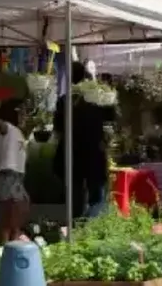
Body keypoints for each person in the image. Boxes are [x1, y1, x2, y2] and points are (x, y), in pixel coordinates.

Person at [53, 61, 116, 219]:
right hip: (94, 152)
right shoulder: (99, 98)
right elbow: (111, 123)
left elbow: (58, 130)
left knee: (74, 194)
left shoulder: (64, 101)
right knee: (97, 195)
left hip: (71, 153)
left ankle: (75, 226)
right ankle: (91, 226)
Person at [0, 98, 30, 243]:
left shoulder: (18, 132)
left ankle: (14, 241)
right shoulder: (7, 129)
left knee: (20, 211)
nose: (24, 116)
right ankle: (6, 246)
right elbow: (0, 124)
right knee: (9, 218)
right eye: (21, 113)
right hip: (9, 175)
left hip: (17, 177)